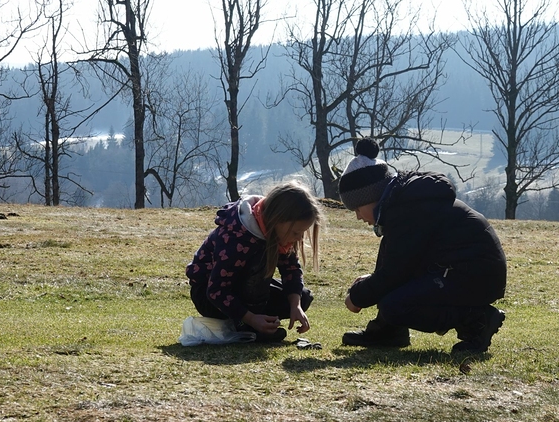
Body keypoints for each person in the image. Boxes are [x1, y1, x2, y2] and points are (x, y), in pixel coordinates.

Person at [338, 138, 507, 353]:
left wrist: (357, 296)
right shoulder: (405, 205)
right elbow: (400, 263)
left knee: (396, 306)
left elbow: (396, 273)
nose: (358, 217)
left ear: (372, 197)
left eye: (357, 208)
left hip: (474, 276)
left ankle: (477, 320)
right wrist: (373, 281)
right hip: (460, 270)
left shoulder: (409, 211)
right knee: (388, 253)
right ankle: (389, 330)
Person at [186, 180, 322, 342]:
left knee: (302, 296)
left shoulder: (279, 234)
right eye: (295, 232)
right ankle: (246, 325)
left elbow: (291, 269)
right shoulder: (236, 239)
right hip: (209, 296)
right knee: (260, 263)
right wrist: (252, 319)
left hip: (250, 291)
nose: (299, 238)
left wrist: (296, 305)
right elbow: (216, 291)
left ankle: (251, 321)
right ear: (278, 220)